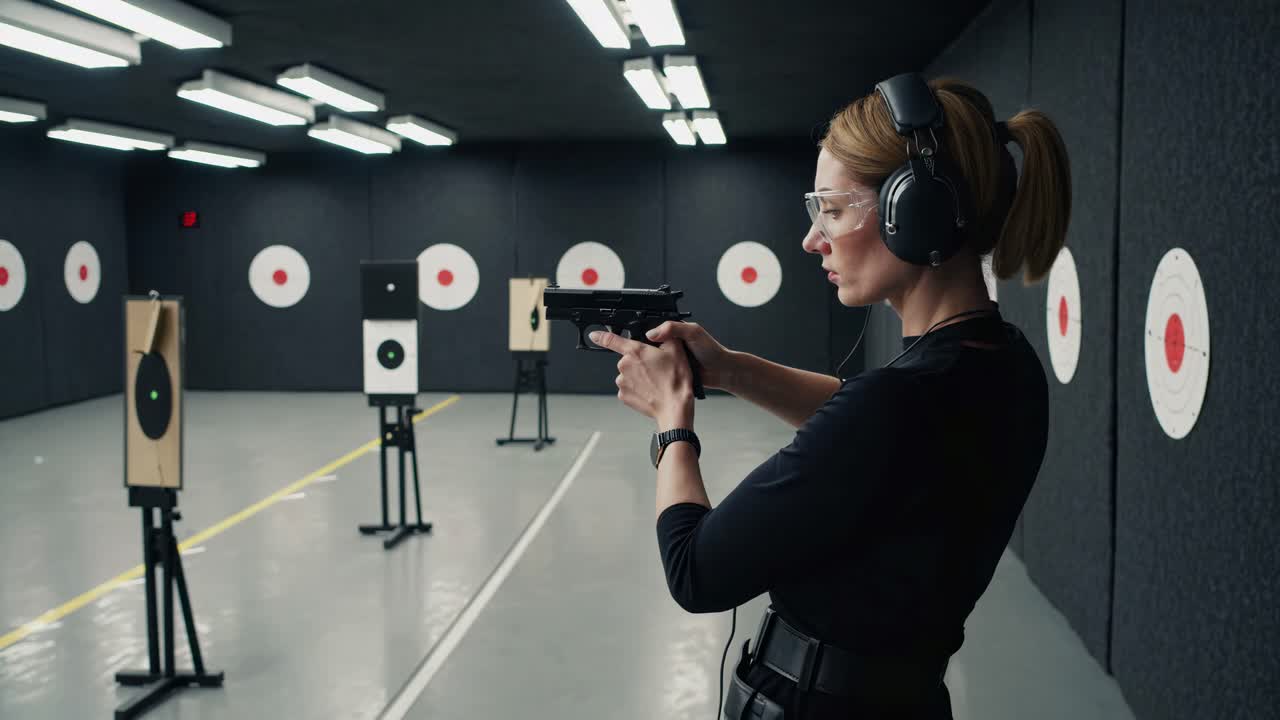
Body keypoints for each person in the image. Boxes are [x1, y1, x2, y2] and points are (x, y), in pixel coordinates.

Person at [589, 73, 1071, 719]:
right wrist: (730, 369)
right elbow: (875, 433)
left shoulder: (898, 406)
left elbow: (696, 570)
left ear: (915, 211)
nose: (814, 239)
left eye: (835, 210)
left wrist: (672, 419)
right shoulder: (1004, 366)